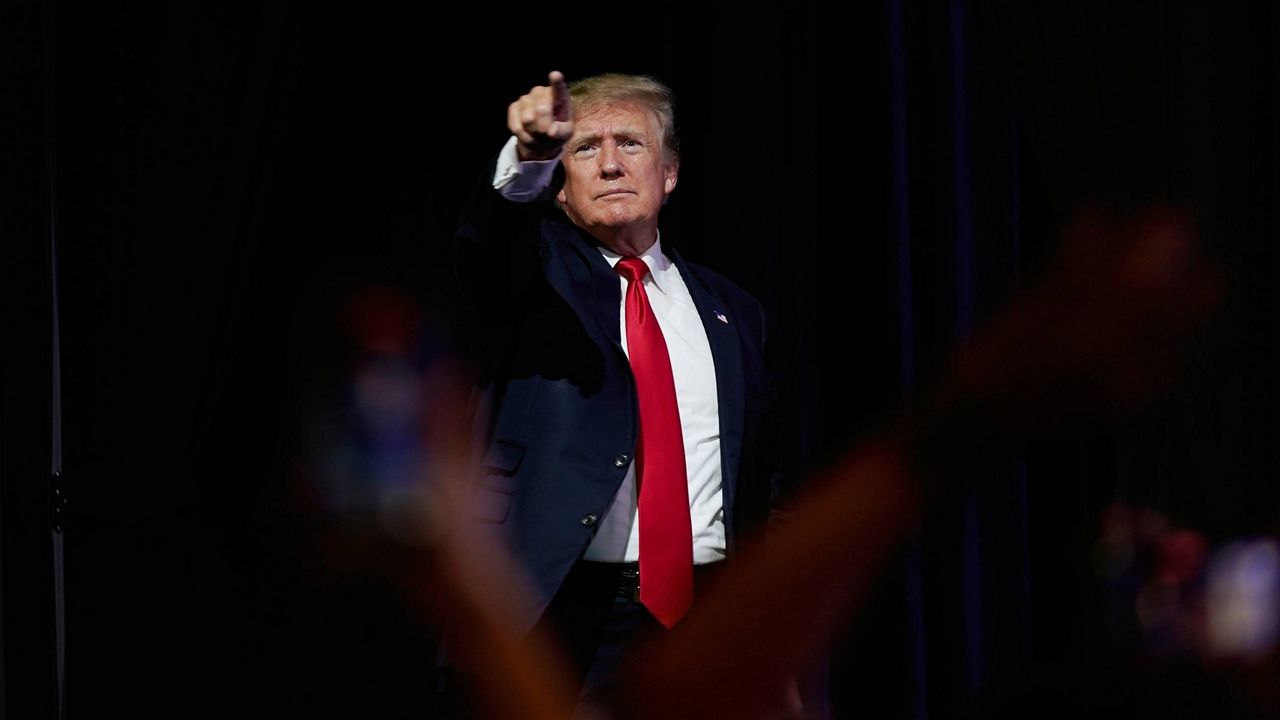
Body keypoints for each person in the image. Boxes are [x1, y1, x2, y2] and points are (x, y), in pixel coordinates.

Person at [451, 70, 786, 700]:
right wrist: (527, 156)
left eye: (630, 144)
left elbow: (762, 476)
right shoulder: (531, 287)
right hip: (566, 617)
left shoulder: (734, 311)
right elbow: (486, 243)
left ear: (669, 172)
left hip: (708, 613)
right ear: (558, 188)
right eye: (584, 148)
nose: (609, 165)